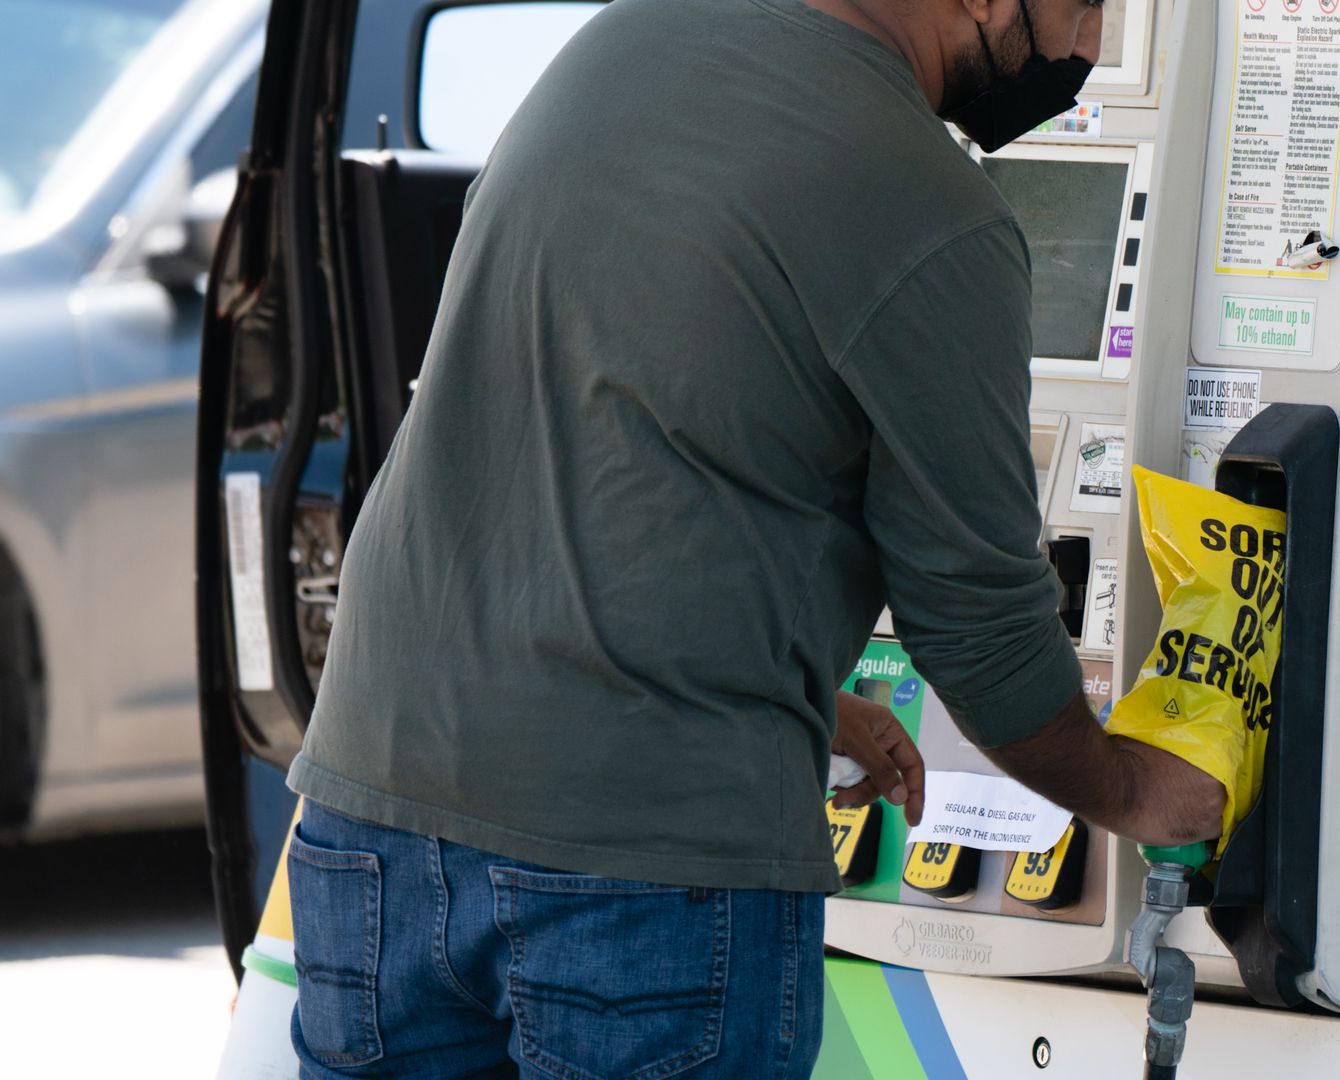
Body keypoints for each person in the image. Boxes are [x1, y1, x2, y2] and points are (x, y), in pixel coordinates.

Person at [283, 0, 1224, 1075]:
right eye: (1088, 4)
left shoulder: (621, 44)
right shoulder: (930, 203)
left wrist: (798, 699)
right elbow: (982, 633)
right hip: (643, 868)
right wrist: (1137, 791)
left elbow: (573, 456)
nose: (1090, 49)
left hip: (371, 817)